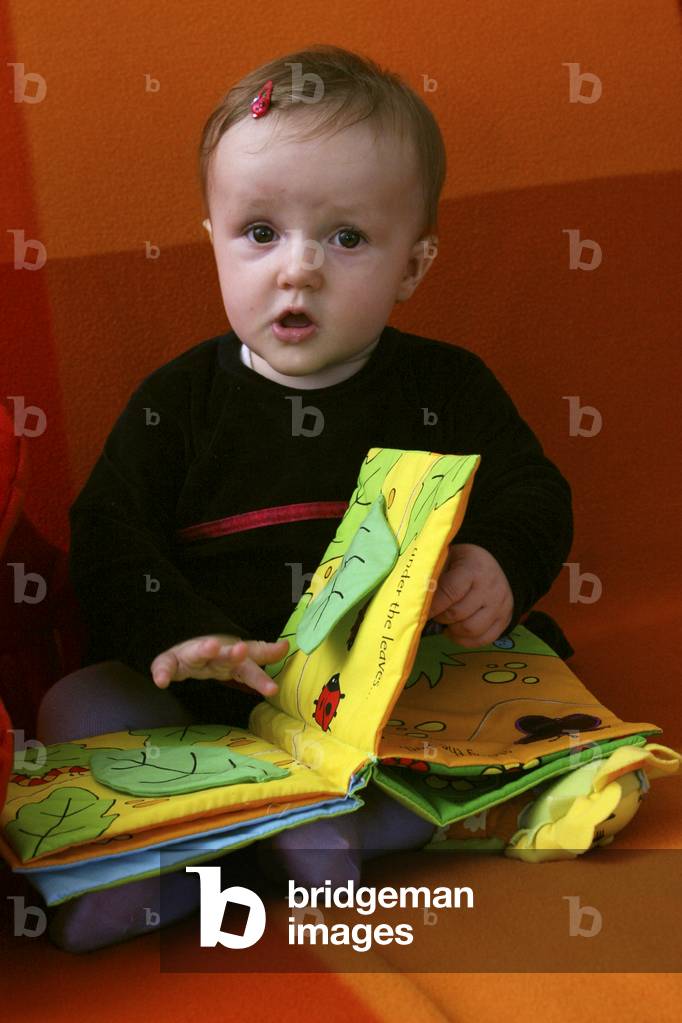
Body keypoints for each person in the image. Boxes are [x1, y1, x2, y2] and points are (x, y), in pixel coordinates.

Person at [36, 44, 573, 952]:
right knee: (76, 707)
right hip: (222, 692)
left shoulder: (447, 387)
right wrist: (179, 635)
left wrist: (497, 564)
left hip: (382, 693)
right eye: (260, 232)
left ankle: (316, 838)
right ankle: (183, 856)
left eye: (347, 238)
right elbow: (110, 534)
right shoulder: (181, 401)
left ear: (412, 265)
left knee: (539, 689)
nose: (299, 269)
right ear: (211, 238)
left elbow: (533, 491)